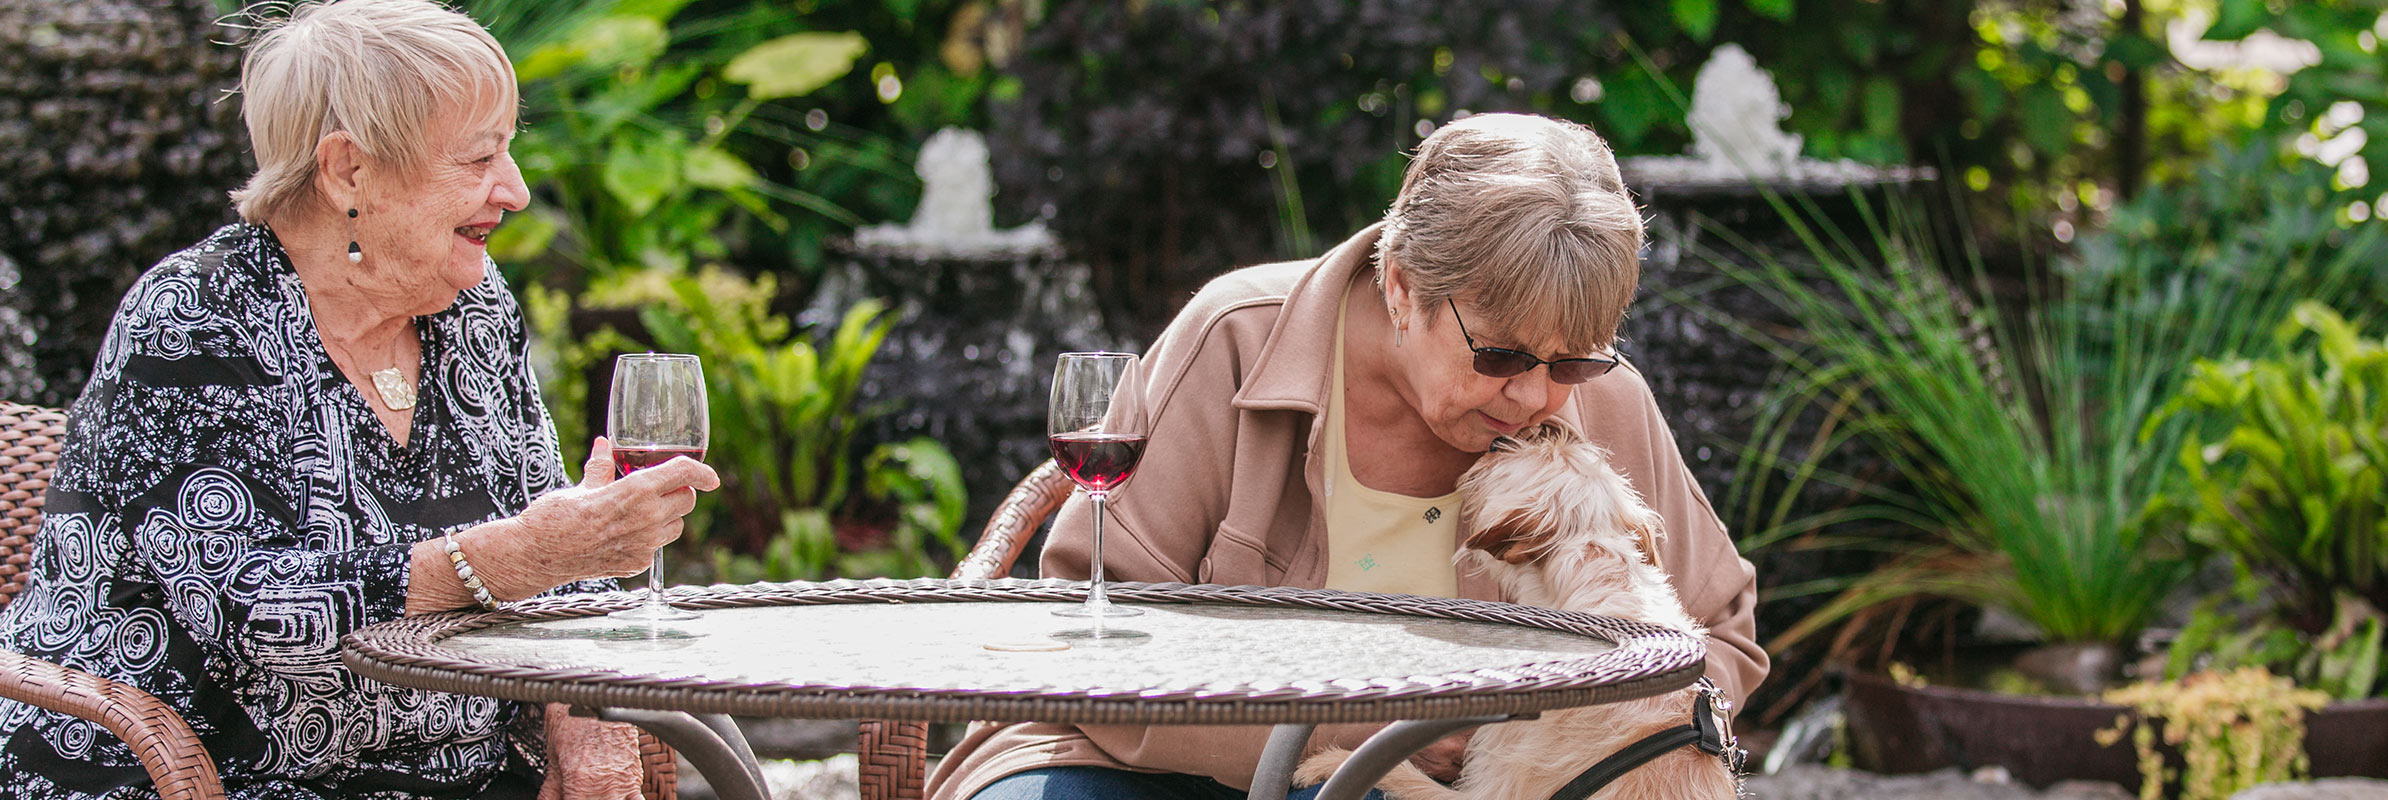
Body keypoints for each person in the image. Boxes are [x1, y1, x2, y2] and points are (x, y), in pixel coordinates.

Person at [928, 113, 1767, 800]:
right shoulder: (1232, 340)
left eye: (1575, 359)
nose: (1539, 398)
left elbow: (1719, 637)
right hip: (1135, 771)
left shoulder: (1607, 400)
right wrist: (1373, 733)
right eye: (1502, 356)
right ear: (1402, 287)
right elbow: (1087, 629)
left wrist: (1563, 745)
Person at [0, 1, 719, 797]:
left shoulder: (474, 310)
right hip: (202, 771)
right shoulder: (196, 320)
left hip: (454, 775)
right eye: (478, 158)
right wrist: (511, 560)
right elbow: (254, 613)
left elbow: (561, 544)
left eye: (509, 152)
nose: (512, 190)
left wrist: (587, 730)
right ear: (348, 170)